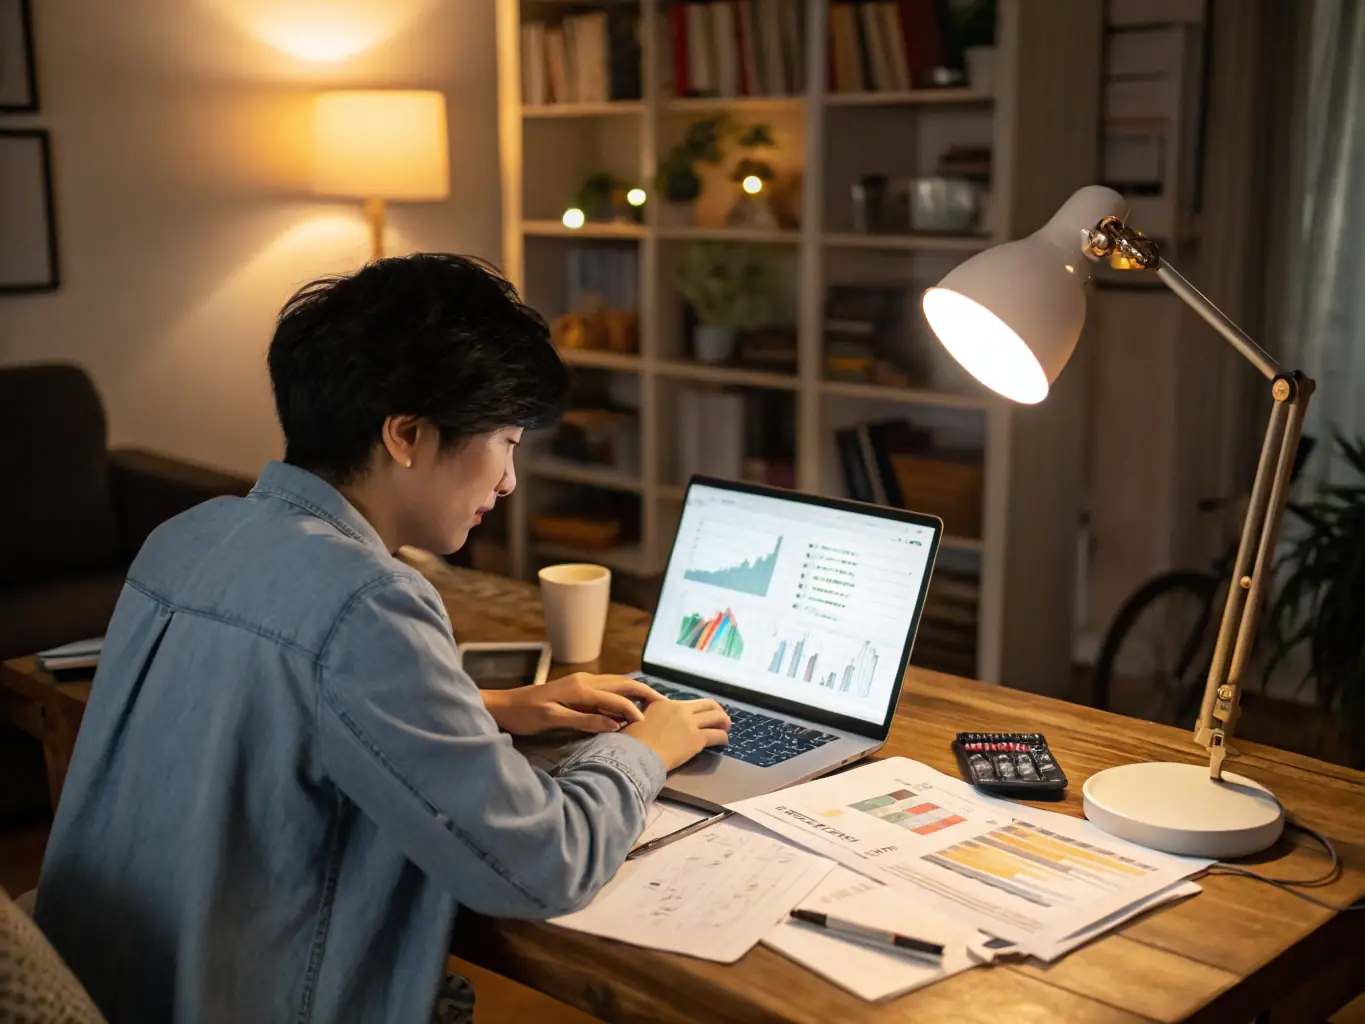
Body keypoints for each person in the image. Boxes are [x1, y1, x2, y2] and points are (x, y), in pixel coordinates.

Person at [34, 254, 731, 1023]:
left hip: (113, 991)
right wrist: (645, 751)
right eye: (504, 441)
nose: (507, 482)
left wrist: (488, 705)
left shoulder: (187, 538)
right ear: (405, 435)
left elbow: (273, 697)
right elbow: (538, 864)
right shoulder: (369, 600)